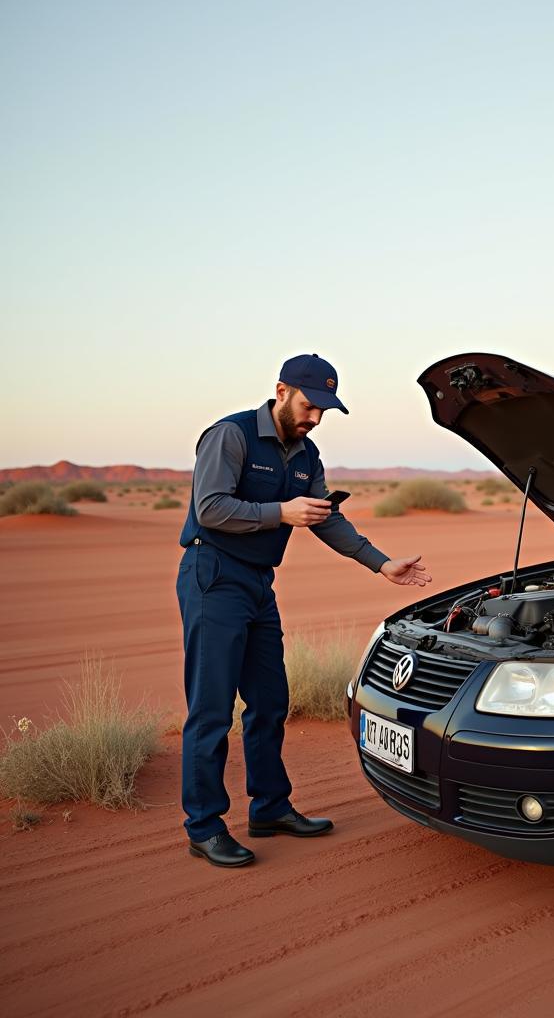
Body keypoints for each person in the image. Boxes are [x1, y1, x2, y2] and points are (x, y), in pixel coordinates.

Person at [176, 352, 431, 868]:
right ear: (282, 390)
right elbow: (211, 507)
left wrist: (381, 565)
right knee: (211, 709)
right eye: (310, 405)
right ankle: (203, 825)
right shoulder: (231, 437)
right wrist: (280, 513)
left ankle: (269, 807)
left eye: (324, 411)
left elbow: (325, 518)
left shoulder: (306, 455)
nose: (315, 418)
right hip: (213, 577)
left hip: (257, 584)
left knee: (270, 701)